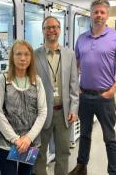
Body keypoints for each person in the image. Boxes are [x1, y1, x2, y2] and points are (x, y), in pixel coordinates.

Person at [69, 0, 116, 175]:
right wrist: (77, 88)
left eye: (102, 12)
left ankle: (114, 172)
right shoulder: (81, 39)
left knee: (109, 138)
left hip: (105, 97)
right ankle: (81, 167)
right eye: (96, 12)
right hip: (84, 96)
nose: (99, 15)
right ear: (91, 14)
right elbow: (76, 66)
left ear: (107, 15)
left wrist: (112, 91)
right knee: (85, 135)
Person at [0, 40, 47, 175]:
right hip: (7, 143)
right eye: (18, 54)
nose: (23, 58)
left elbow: (42, 112)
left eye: (26, 54)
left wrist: (28, 138)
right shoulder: (3, 80)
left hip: (30, 143)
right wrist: (15, 139)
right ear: (12, 57)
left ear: (31, 57)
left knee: (26, 173)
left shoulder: (36, 81)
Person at [34, 16, 79, 175]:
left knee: (63, 153)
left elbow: (74, 85)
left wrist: (74, 108)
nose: (51, 30)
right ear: (43, 31)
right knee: (39, 153)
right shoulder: (34, 55)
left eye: (54, 27)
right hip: (41, 113)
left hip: (63, 113)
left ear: (60, 30)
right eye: (47, 27)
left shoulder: (70, 54)